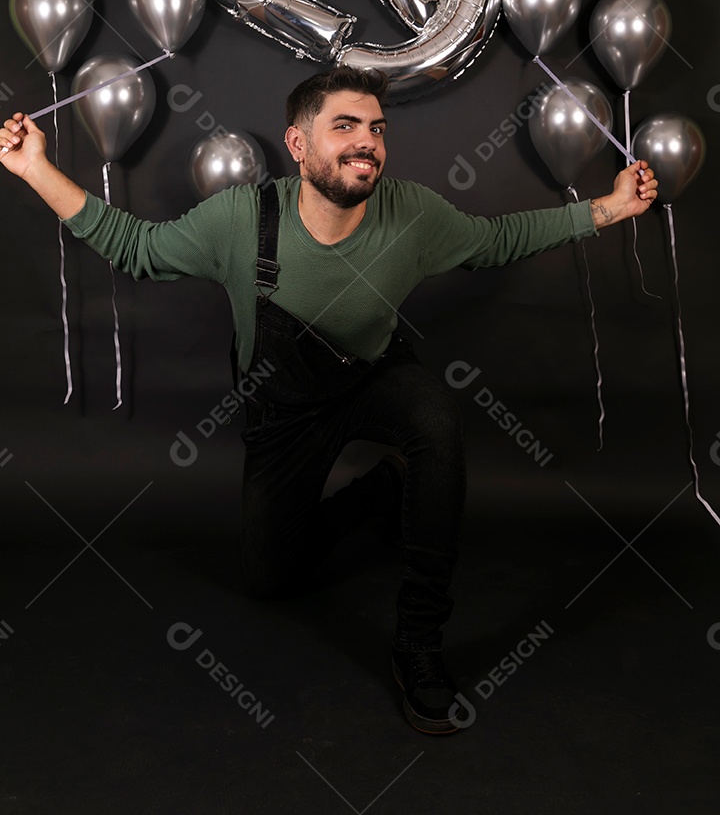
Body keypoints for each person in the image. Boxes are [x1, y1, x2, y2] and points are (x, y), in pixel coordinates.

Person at [0, 65, 658, 734]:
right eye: (343, 126)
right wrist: (33, 169)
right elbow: (135, 249)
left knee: (436, 418)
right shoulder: (240, 220)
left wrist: (611, 207)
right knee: (269, 578)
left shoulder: (414, 213)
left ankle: (419, 644)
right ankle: (378, 494)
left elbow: (496, 242)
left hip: (373, 378)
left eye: (375, 128)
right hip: (285, 408)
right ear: (297, 144)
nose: (365, 142)